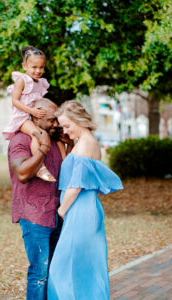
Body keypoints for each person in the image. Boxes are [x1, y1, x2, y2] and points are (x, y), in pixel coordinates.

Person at [47, 100, 123, 300]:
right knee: (86, 267)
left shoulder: (84, 145)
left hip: (79, 211)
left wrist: (62, 209)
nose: (65, 129)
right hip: (87, 209)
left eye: (67, 125)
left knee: (62, 267)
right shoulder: (88, 142)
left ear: (79, 120)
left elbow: (76, 186)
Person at [8, 98, 72, 300]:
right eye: (52, 120)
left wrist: (69, 146)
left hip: (57, 215)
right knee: (39, 274)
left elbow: (66, 174)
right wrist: (42, 149)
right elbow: (23, 174)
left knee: (55, 269)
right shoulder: (20, 141)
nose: (56, 124)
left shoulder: (55, 141)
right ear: (37, 116)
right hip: (34, 216)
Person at [3, 46, 66, 182]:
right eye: (34, 67)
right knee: (36, 134)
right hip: (22, 118)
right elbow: (15, 100)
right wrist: (31, 111)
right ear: (24, 66)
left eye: (41, 67)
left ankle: (65, 163)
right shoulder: (22, 80)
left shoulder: (40, 83)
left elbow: (40, 102)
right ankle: (40, 167)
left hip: (33, 116)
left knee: (57, 137)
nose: (38, 71)